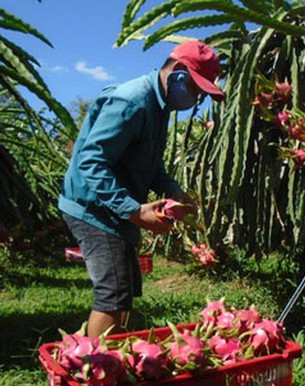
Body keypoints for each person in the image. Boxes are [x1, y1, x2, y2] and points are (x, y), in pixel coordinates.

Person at [59, 41, 225, 338]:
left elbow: (151, 165)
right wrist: (134, 211)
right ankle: (92, 369)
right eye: (196, 89)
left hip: (114, 207)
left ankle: (115, 360)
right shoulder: (132, 102)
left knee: (125, 290)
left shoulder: (158, 108)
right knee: (112, 295)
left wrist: (173, 190)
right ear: (177, 72)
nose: (197, 98)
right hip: (93, 208)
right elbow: (91, 162)